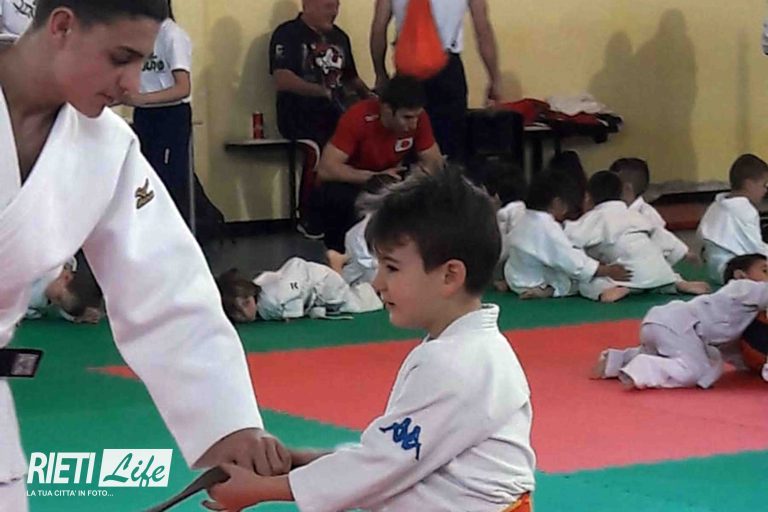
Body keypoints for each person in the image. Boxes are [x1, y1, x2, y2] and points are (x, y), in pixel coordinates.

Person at [0, 2, 288, 509]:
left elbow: (165, 285)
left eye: (142, 62)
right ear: (62, 26)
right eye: (120, 58)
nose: (132, 84)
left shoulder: (105, 147)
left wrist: (229, 424)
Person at [204, 166, 536, 512]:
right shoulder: (472, 349)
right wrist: (305, 461)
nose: (377, 283)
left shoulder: (458, 364)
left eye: (391, 268)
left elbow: (383, 467)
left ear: (449, 275)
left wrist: (266, 489)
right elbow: (392, 458)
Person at [270, 0, 372, 239]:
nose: (334, 12)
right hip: (299, 115)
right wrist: (321, 91)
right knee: (319, 149)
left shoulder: (340, 37)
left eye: (336, 5)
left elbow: (351, 78)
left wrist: (372, 98)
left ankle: (353, 215)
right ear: (308, 5)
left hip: (337, 114)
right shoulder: (287, 34)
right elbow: (282, 79)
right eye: (328, 5)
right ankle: (310, 218)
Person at [592, 253, 768, 389]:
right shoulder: (743, 288)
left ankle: (617, 360)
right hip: (680, 324)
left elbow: (734, 350)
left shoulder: (740, 311)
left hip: (666, 324)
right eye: (765, 271)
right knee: (693, 370)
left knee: (665, 354)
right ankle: (643, 368)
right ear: (740, 276)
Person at [317, 74, 443, 251]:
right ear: (387, 109)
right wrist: (374, 177)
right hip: (356, 181)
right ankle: (338, 254)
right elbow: (326, 169)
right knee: (335, 196)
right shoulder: (357, 118)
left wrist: (416, 178)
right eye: (407, 118)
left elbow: (435, 163)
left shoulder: (419, 119)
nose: (414, 124)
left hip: (393, 181)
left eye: (416, 117)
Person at [371, 0, 503, 161]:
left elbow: (378, 29)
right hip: (447, 70)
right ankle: (446, 172)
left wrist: (380, 73)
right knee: (449, 145)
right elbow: (483, 31)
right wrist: (494, 79)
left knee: (407, 141)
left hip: (407, 71)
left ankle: (409, 174)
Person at [564, 171, 710, 302]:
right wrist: (684, 252)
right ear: (622, 193)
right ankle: (677, 283)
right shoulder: (635, 215)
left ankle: (608, 290)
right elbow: (660, 235)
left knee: (586, 282)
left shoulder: (595, 217)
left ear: (588, 197)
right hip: (658, 273)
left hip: (625, 276)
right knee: (662, 272)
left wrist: (563, 226)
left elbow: (570, 239)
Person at [503, 170, 630, 301]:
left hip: (515, 278)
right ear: (557, 203)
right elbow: (571, 260)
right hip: (535, 282)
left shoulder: (524, 218)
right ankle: (549, 290)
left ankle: (511, 284)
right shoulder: (546, 226)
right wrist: (606, 270)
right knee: (581, 281)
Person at [125, 0, 194, 224]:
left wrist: (141, 99)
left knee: (169, 179)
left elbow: (183, 88)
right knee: (144, 178)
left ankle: (174, 230)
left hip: (171, 114)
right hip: (145, 115)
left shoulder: (172, 35)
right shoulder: (140, 35)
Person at [216, 259, 382, 323]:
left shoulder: (276, 298)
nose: (240, 317)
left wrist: (292, 312)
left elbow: (295, 281)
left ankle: (378, 291)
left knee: (352, 302)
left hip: (321, 280)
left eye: (244, 305)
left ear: (249, 299)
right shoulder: (264, 290)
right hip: (308, 281)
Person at [610, 157, 695, 266]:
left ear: (627, 189)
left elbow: (665, 240)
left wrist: (684, 253)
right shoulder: (610, 210)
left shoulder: (647, 215)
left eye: (610, 184)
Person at [697, 153, 768, 283]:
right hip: (733, 269)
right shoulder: (745, 210)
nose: (765, 190)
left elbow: (701, 237)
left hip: (714, 270)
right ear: (749, 184)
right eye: (764, 185)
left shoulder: (717, 204)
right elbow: (755, 248)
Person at [25, 258, 103, 323]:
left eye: (60, 304)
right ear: (66, 277)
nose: (55, 303)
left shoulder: (34, 299)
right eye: (58, 297)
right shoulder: (51, 266)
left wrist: (77, 316)